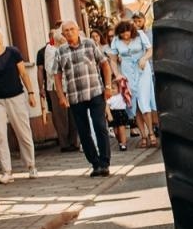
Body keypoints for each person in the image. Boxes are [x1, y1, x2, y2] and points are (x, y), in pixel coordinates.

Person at [53, 19, 115, 177]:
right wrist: (61, 96)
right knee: (84, 132)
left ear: (78, 29)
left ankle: (105, 162)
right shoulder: (60, 51)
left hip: (95, 92)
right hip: (75, 97)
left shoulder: (89, 44)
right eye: (66, 31)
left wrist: (108, 87)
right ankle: (95, 164)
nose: (69, 33)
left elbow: (105, 64)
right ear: (62, 34)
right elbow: (57, 75)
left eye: (72, 29)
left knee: (100, 126)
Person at [0, 24, 39, 182]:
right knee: (0, 135)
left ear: (1, 36)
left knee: (23, 132)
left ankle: (31, 166)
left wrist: (31, 93)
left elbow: (23, 73)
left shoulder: (13, 52)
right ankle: (7, 171)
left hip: (16, 96)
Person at [110, 17, 157, 149]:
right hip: (127, 73)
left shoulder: (140, 35)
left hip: (142, 70)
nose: (126, 35)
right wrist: (117, 74)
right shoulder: (116, 41)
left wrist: (144, 58)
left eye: (128, 32)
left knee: (143, 100)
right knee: (134, 103)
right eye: (123, 33)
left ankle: (151, 133)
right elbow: (112, 60)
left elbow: (150, 49)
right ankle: (143, 135)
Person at [39, 27, 79, 152]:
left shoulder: (68, 48)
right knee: (61, 115)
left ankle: (74, 141)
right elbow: (50, 69)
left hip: (70, 85)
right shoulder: (50, 50)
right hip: (56, 87)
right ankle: (64, 143)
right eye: (63, 37)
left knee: (73, 114)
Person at [107, 76, 133, 152]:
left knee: (122, 129)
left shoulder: (122, 95)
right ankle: (120, 141)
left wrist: (120, 80)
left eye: (114, 88)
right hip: (113, 114)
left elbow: (126, 86)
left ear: (119, 88)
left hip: (121, 113)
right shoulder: (110, 97)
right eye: (111, 88)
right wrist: (109, 115)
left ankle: (124, 143)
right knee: (116, 132)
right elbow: (107, 107)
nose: (112, 90)